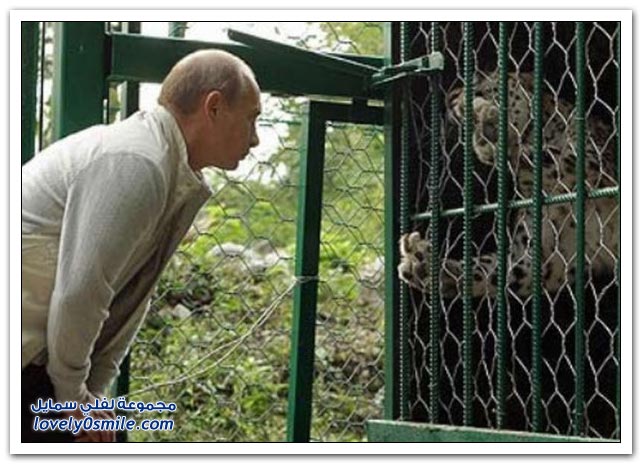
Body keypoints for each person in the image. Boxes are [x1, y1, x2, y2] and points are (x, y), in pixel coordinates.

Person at [21, 49, 262, 442]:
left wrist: (91, 392)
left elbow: (132, 295)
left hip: (37, 361)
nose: (255, 138)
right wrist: (73, 398)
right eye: (252, 118)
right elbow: (82, 291)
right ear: (214, 107)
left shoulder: (167, 166)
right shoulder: (140, 161)